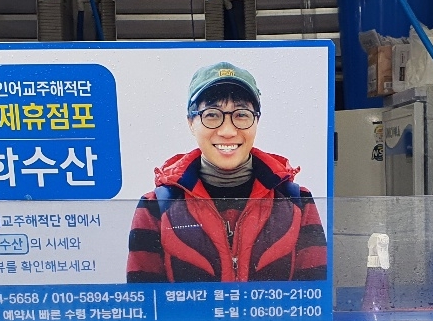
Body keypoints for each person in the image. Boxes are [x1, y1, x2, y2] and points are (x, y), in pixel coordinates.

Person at [126, 61, 327, 283]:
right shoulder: (155, 207)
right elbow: (144, 301)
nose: (228, 131)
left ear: (256, 120)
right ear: (191, 123)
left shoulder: (298, 202)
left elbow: (315, 297)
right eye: (212, 114)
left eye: (241, 114)